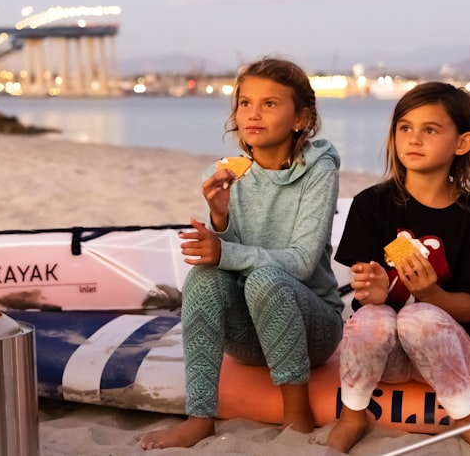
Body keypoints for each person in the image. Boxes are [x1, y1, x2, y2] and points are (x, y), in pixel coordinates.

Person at [140, 57, 344, 450]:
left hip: (312, 328)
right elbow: (221, 261)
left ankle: (297, 417)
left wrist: (224, 250)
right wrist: (219, 216)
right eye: (245, 103)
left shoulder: (318, 171)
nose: (253, 114)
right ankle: (199, 418)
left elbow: (302, 262)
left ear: (300, 117)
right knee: (203, 277)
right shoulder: (222, 174)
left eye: (270, 104)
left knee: (266, 279)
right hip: (248, 337)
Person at [325, 82, 470, 453]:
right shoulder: (371, 205)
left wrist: (431, 293)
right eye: (404, 127)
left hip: (443, 350)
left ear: (462, 143)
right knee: (373, 317)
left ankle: (462, 415)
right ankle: (353, 413)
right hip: (384, 357)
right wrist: (373, 293)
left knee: (418, 317)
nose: (413, 139)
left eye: (430, 130)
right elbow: (366, 292)